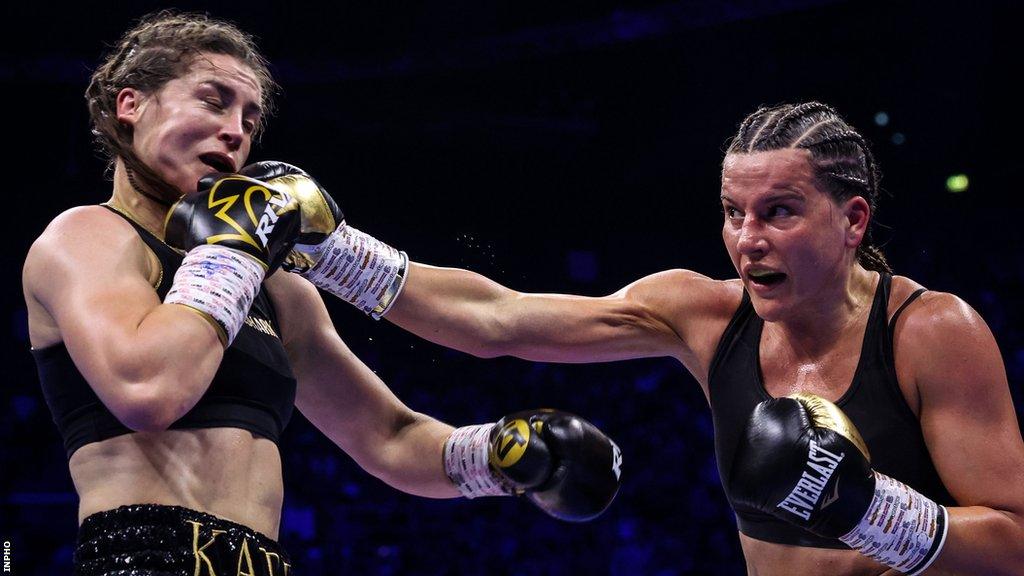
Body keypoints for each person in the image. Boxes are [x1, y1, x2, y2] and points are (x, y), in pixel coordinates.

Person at [276, 101, 1024, 574]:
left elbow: (1016, 542)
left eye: (780, 212)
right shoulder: (702, 315)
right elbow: (494, 321)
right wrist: (331, 252)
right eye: (735, 212)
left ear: (854, 219)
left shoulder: (929, 331)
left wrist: (871, 510)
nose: (748, 239)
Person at [22, 11, 622, 575]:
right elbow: (147, 390)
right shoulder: (87, 237)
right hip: (146, 555)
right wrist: (234, 250)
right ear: (131, 105)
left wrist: (500, 455)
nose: (234, 132)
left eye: (251, 121)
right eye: (213, 100)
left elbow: (390, 437)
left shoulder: (280, 291)